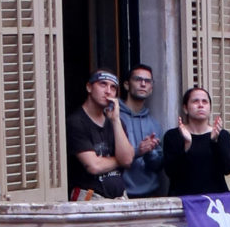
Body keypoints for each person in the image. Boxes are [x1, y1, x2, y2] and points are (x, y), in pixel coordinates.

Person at [68, 69, 133, 198]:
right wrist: (119, 160)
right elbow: (94, 166)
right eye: (103, 84)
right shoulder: (76, 122)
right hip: (90, 196)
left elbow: (127, 159)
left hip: (119, 196)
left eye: (113, 87)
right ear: (89, 87)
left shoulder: (116, 121)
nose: (108, 91)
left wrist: (115, 120)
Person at [160, 86, 230, 198]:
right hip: (184, 202)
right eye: (195, 101)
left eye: (205, 102)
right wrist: (187, 145)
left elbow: (228, 168)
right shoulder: (173, 136)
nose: (200, 105)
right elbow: (171, 171)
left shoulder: (222, 135)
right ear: (185, 108)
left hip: (215, 201)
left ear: (210, 108)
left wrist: (214, 141)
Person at [118, 63, 166, 196]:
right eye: (138, 79)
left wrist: (149, 153)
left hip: (150, 194)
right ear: (127, 85)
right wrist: (138, 151)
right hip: (120, 195)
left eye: (147, 81)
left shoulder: (154, 124)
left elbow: (157, 167)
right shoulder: (114, 118)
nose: (143, 84)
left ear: (151, 88)